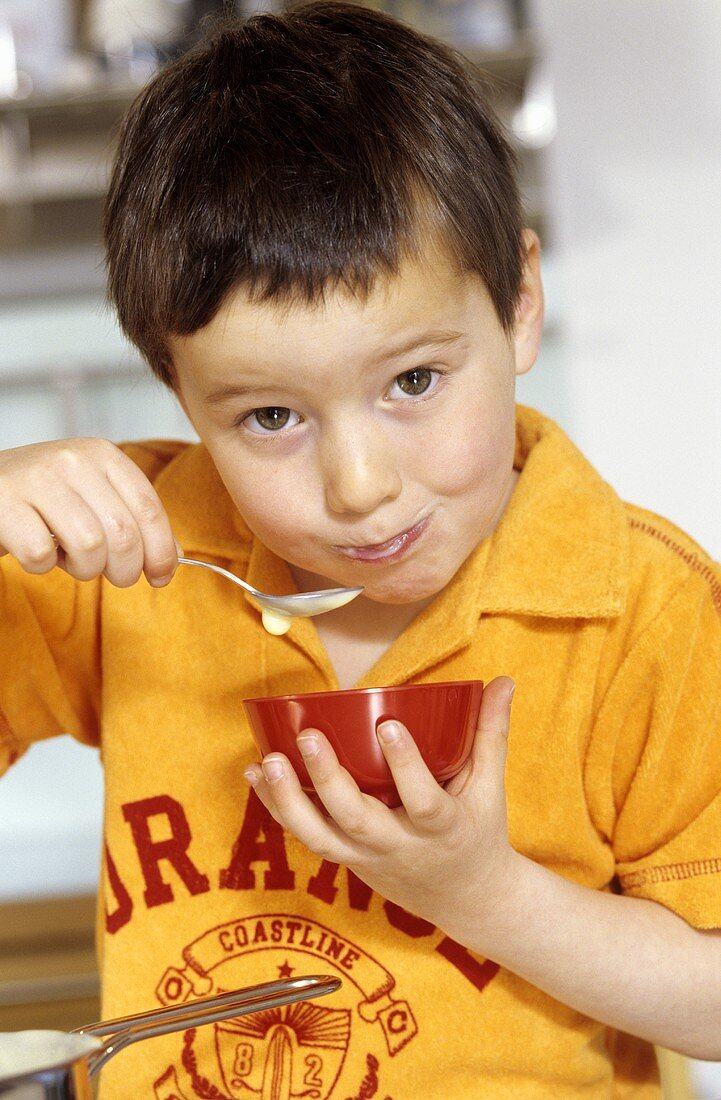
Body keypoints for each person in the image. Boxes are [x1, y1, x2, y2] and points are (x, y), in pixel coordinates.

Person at [1, 3, 719, 1096]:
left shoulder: (641, 611)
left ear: (520, 304)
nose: (360, 485)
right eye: (270, 418)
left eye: (415, 383)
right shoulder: (135, 558)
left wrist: (484, 892)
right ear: (180, 392)